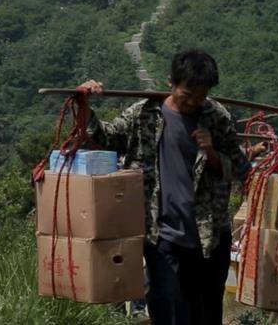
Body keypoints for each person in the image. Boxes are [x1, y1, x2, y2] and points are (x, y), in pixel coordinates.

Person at [78, 49, 251, 325]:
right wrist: (85, 105)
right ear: (170, 82)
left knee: (205, 315)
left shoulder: (216, 117)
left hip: (210, 237)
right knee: (168, 311)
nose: (193, 102)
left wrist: (212, 152)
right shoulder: (144, 114)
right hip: (162, 237)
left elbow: (241, 167)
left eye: (200, 96)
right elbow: (105, 138)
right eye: (187, 94)